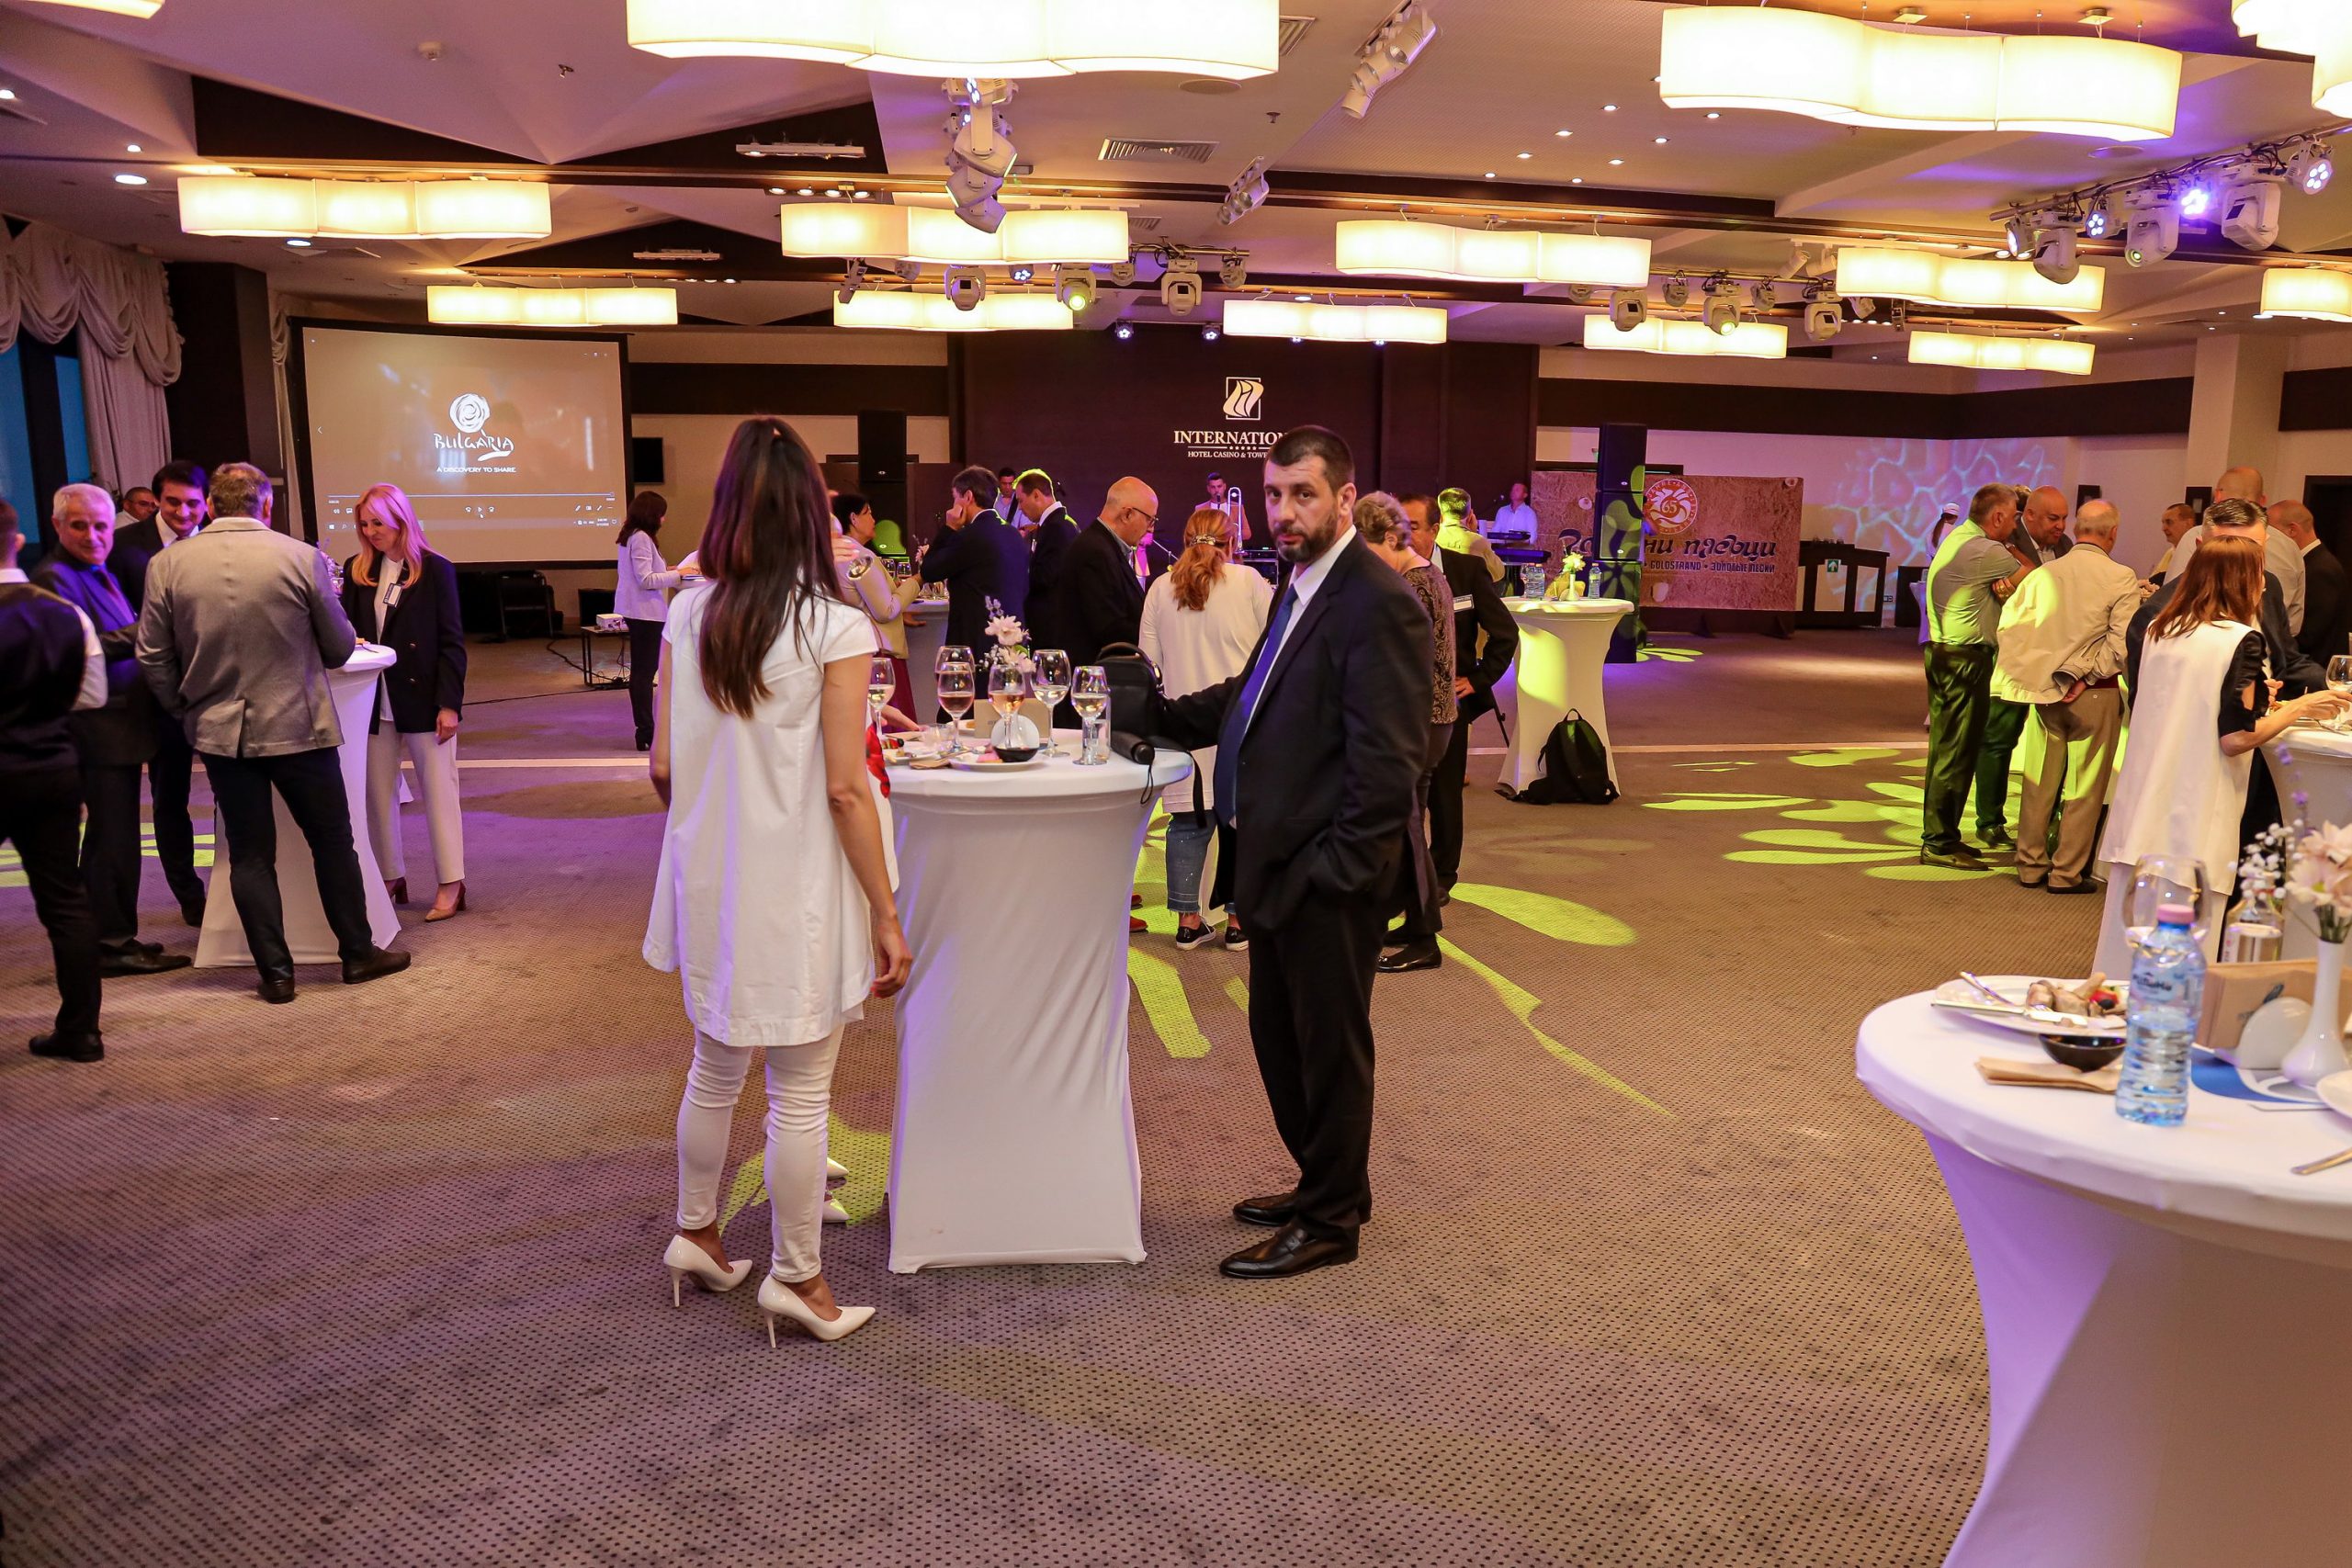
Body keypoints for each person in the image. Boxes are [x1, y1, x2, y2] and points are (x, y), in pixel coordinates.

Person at [645, 414, 910, 1345]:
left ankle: (697, 1233)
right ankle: (798, 1277)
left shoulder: (688, 613)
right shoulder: (835, 625)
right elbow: (844, 788)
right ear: (810, 512)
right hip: (795, 881)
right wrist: (885, 912)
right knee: (799, 1090)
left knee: (714, 1064)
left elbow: (662, 765)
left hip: (712, 873)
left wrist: (716, 815)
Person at [1155, 426, 1427, 1280]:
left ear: (1344, 498)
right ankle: (1327, 1182)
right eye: (1273, 495)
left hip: (1325, 874)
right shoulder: (1298, 585)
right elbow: (1253, 695)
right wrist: (1155, 715)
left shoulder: (1376, 600)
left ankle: (1331, 1220)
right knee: (1282, 1041)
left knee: (1327, 1049)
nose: (1284, 511)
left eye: (1303, 494)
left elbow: (1390, 766)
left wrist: (1333, 872)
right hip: (1276, 861)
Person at [134, 463, 411, 1005]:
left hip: (220, 734)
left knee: (249, 855)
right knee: (332, 842)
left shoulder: (167, 564)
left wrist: (186, 711)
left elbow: (152, 655)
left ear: (210, 506)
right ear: (266, 505)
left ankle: (276, 975)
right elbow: (339, 648)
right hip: (301, 726)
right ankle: (358, 954)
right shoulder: (300, 557)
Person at [2093, 535, 2348, 976]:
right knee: (2185, 945)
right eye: (2259, 575)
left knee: (2129, 936)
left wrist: (2259, 702)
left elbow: (2188, 705)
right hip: (2196, 807)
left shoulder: (2162, 630)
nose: (2264, 587)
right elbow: (2235, 738)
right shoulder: (2241, 640)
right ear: (2242, 582)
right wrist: (2301, 707)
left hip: (2143, 805)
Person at [30, 485, 187, 975]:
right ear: (58, 526)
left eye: (101, 526)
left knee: (114, 839)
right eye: (80, 526)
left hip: (120, 724)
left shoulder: (95, 568)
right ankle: (110, 944)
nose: (94, 536)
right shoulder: (54, 577)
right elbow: (77, 650)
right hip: (96, 729)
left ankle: (116, 934)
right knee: (111, 842)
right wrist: (149, 630)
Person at [1, 498, 109, 1063]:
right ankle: (82, 1031)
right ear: (18, 541)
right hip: (51, 767)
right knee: (66, 902)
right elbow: (92, 695)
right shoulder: (64, 613)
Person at [1138, 504, 1270, 953]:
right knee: (1240, 822)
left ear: (1184, 540)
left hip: (1183, 721)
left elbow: (1148, 665)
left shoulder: (1160, 588)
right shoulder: (1249, 581)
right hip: (1238, 719)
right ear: (1232, 542)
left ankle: (1188, 921)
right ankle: (1237, 921)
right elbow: (1271, 651)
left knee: (1187, 821)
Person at [1992, 500, 2138, 895]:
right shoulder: (2121, 577)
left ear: (2076, 529)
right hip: (2094, 694)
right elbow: (2120, 647)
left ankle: (2029, 865)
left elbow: (2013, 632)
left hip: (2045, 693)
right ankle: (2066, 873)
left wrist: (2040, 677)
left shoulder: (2043, 575)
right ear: (2113, 533)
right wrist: (2083, 676)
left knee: (2038, 783)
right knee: (2084, 790)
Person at [341, 483, 469, 923]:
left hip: (424, 698)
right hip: (373, 699)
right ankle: (390, 876)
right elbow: (349, 632)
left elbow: (452, 643)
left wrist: (449, 704)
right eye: (364, 524)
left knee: (439, 794)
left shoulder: (435, 570)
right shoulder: (358, 570)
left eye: (378, 522)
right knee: (377, 797)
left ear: (401, 520)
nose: (370, 531)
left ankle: (451, 882)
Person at [1353, 492, 1455, 976]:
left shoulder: (1412, 585)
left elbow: (1399, 665)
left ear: (1391, 539)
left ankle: (1423, 936)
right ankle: (1415, 922)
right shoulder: (1426, 576)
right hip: (1430, 721)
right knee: (1407, 827)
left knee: (1408, 831)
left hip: (1417, 723)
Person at [107, 459, 209, 925]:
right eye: (172, 502)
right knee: (170, 798)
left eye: (193, 504)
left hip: (218, 690)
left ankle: (233, 890)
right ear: (156, 501)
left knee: (236, 793)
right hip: (153, 694)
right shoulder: (124, 546)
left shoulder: (218, 543)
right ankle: (189, 895)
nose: (183, 513)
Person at [1403, 492, 1518, 898]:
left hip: (1449, 704)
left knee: (1444, 793)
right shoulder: (1384, 572)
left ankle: (1441, 875)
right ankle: (1406, 873)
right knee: (1401, 794)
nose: (1404, 536)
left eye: (1413, 527)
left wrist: (1479, 679)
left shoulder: (1465, 570)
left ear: (1435, 529)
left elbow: (1504, 633)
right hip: (1397, 705)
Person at [1921, 483, 2032, 870]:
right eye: (2015, 517)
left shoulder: (1961, 539)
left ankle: (1944, 836)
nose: (2016, 525)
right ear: (1998, 516)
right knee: (1954, 754)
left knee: (1950, 750)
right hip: (1963, 660)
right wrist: (2012, 553)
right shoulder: (1985, 549)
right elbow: (2036, 575)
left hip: (1948, 655)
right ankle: (1938, 843)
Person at [2128, 499, 2324, 698]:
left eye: (2252, 551)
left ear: (2266, 546)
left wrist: (2331, 683)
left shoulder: (2270, 585)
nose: (2240, 562)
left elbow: (2287, 659)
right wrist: (2252, 698)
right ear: (2201, 547)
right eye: (2226, 550)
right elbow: (2153, 699)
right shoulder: (2159, 613)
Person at [1974, 485, 2074, 849]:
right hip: (2014, 654)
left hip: (2056, 656)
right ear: (2028, 515)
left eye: (2064, 518)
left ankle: (2047, 822)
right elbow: (1999, 593)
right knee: (1999, 738)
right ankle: (1989, 821)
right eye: (2053, 518)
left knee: (2056, 743)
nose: (2060, 526)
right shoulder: (2003, 543)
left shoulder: (2067, 547)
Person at [2173, 467, 2305, 635]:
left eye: (2255, 549)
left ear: (2218, 496)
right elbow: (2294, 622)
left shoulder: (2197, 535)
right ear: (2263, 500)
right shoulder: (2290, 546)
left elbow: (2177, 595)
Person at [919, 465, 1029, 660]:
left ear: (968, 497)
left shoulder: (968, 536)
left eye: (955, 497)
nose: (953, 505)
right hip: (1012, 640)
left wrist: (949, 528)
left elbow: (929, 570)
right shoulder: (1013, 534)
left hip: (975, 642)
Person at [1053, 476, 1154, 671]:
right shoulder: (1095, 551)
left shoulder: (1102, 546)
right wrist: (1154, 635)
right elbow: (1109, 627)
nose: (1150, 528)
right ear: (1127, 514)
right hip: (1096, 678)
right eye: (1149, 519)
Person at [832, 491, 918, 716]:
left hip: (851, 651)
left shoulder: (836, 554)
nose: (873, 519)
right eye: (868, 513)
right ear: (853, 519)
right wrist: (916, 582)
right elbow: (885, 610)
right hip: (879, 653)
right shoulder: (859, 555)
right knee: (891, 724)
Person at [616, 491, 684, 752]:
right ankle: (645, 731)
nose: (663, 520)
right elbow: (646, 580)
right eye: (661, 514)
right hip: (645, 613)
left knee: (642, 673)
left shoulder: (631, 535)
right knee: (644, 674)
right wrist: (679, 575)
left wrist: (671, 570)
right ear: (652, 515)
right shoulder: (641, 538)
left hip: (639, 612)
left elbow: (647, 573)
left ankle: (645, 730)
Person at [2274, 500, 2351, 668]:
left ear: (2292, 530)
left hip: (2316, 668)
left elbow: (2310, 632)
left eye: (2273, 532)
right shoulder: (2311, 563)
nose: (2269, 540)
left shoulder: (2321, 569)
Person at [1015, 470, 1080, 654]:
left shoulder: (1058, 527)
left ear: (1036, 495)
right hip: (1050, 625)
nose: (1019, 508)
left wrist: (1018, 572)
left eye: (1021, 500)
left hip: (1052, 629)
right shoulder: (1054, 525)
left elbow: (1046, 577)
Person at [1434, 488, 1505, 583]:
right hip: (1469, 593)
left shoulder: (1432, 537)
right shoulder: (1478, 542)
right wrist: (1474, 533)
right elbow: (1499, 574)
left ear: (1440, 512)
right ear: (1470, 514)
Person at [2149, 502, 2199, 585]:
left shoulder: (2197, 552)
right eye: (2163, 523)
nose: (2164, 528)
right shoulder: (2170, 552)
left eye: (2169, 522)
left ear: (2188, 523)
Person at [1204, 471, 1250, 546]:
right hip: (1209, 550)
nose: (1216, 490)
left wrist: (1231, 534)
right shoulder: (1200, 509)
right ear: (1208, 489)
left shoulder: (1237, 507)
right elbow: (1196, 534)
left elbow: (1247, 533)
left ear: (1224, 487)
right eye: (1213, 487)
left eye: (1219, 486)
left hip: (1232, 550)